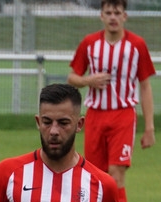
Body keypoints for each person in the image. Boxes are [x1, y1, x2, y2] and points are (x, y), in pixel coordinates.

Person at [66, 0, 155, 191]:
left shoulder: (137, 45)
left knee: (116, 173)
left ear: (125, 16)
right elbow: (72, 78)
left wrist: (149, 127)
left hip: (123, 115)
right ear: (101, 16)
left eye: (117, 13)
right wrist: (88, 80)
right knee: (95, 176)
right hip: (95, 116)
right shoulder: (90, 43)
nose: (113, 17)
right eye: (108, 13)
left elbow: (145, 86)